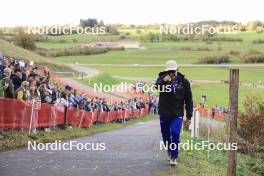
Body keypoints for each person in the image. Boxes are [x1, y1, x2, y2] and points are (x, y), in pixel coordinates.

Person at [155, 60, 193, 166]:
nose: (171, 73)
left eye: (173, 71)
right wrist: (164, 80)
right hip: (164, 112)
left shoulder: (184, 82)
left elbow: (189, 100)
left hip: (177, 113)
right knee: (165, 135)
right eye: (169, 71)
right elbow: (157, 86)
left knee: (175, 133)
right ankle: (169, 149)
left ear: (177, 69)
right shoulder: (162, 78)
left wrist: (189, 116)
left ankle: (174, 156)